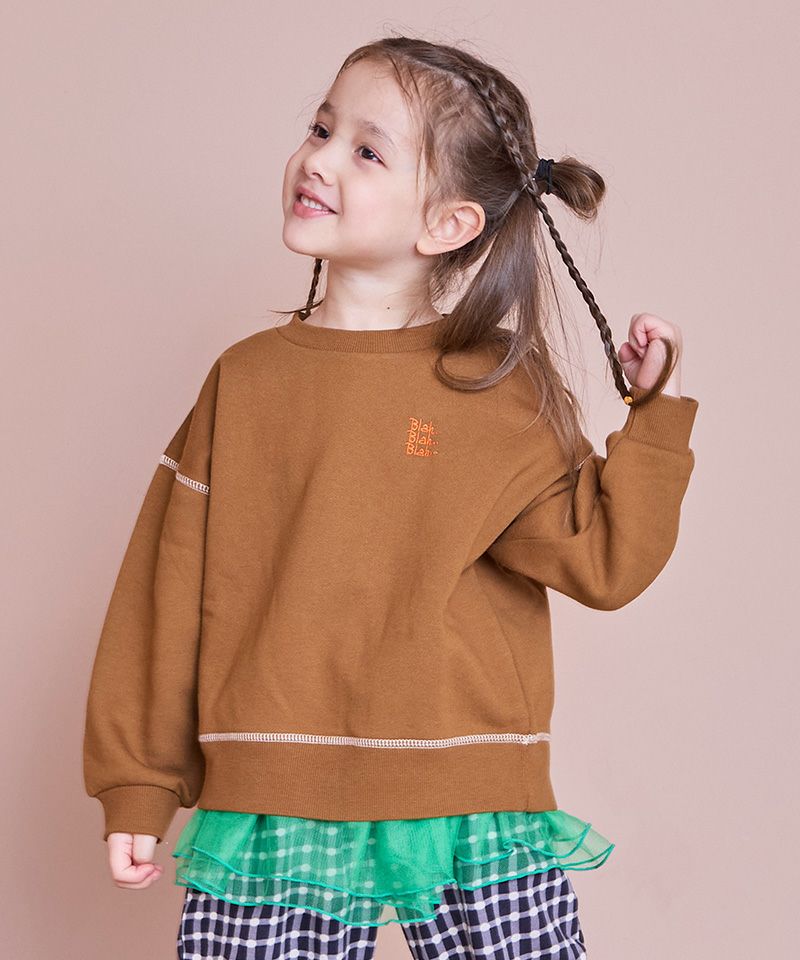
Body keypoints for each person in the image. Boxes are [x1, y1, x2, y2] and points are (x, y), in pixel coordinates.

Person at [83, 35, 700, 960]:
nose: (319, 159)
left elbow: (603, 561)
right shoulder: (245, 382)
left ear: (449, 224)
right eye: (320, 128)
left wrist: (653, 417)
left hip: (468, 796)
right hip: (274, 793)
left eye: (366, 150)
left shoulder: (497, 387)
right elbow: (163, 588)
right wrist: (139, 781)